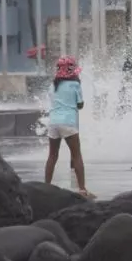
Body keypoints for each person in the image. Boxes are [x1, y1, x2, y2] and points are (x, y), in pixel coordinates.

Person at [45, 56, 94, 198]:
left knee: (52, 156)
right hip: (68, 123)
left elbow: (54, 101)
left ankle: (45, 186)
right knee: (76, 155)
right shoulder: (75, 85)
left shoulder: (52, 85)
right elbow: (80, 104)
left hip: (53, 122)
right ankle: (82, 189)